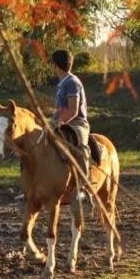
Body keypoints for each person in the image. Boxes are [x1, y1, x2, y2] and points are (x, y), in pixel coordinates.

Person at [52, 49, 93, 199]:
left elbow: (74, 110)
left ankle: (84, 186)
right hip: (59, 122)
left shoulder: (72, 82)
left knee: (80, 146)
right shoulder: (61, 84)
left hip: (77, 123)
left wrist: (60, 121)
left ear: (55, 65)